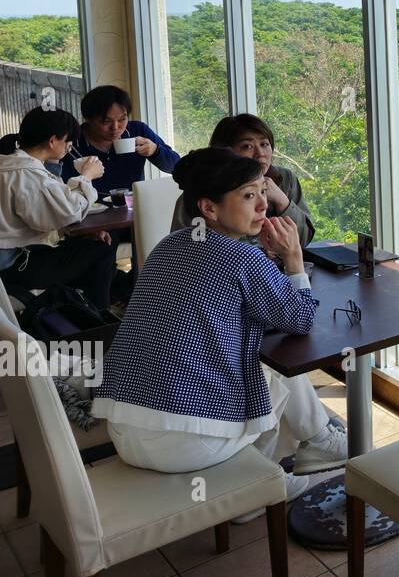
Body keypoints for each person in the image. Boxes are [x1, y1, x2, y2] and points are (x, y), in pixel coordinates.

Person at [91, 148, 347, 513]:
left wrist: (268, 265)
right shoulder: (242, 257)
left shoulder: (168, 245)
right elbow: (300, 319)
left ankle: (289, 458)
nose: (262, 206)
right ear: (209, 208)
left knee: (261, 370)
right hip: (182, 444)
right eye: (248, 195)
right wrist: (293, 260)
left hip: (123, 429)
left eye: (262, 192)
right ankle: (253, 491)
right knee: (270, 377)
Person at [0, 107, 117, 311]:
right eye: (68, 142)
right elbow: (67, 213)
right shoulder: (28, 174)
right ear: (53, 141)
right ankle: (97, 319)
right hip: (16, 265)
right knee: (103, 250)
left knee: (89, 247)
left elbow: (52, 207)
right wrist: (87, 176)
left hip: (13, 258)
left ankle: (73, 312)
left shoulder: (10, 164)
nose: (69, 147)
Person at [172, 113, 314, 248]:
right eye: (248, 146)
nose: (260, 154)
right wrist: (258, 251)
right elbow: (185, 250)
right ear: (224, 153)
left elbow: (303, 240)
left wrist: (282, 201)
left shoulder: (286, 179)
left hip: (279, 269)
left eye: (264, 144)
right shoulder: (200, 192)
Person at [61, 84, 179, 196]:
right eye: (107, 121)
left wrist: (155, 151)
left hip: (131, 209)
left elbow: (177, 167)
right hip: (87, 212)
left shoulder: (137, 130)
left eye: (122, 119)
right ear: (88, 119)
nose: (115, 127)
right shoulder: (70, 143)